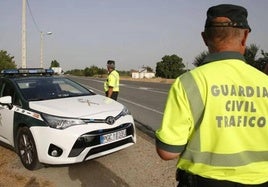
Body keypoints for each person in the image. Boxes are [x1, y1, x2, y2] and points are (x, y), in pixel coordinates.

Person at [155, 4, 268, 187]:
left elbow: (168, 152)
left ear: (205, 38)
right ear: (245, 35)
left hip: (202, 181)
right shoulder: (264, 81)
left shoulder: (188, 82)